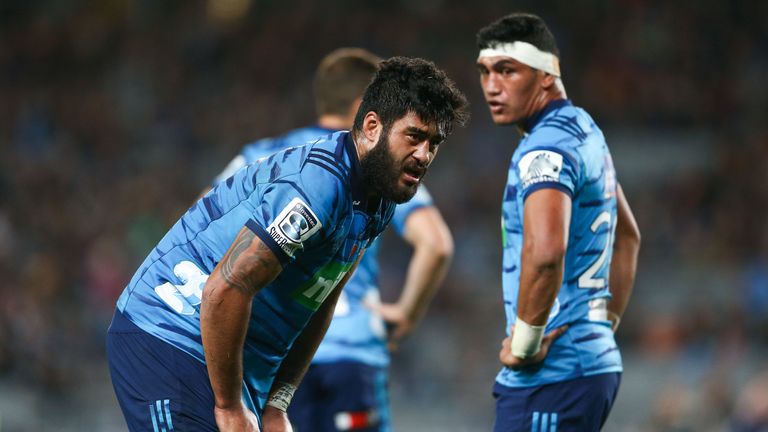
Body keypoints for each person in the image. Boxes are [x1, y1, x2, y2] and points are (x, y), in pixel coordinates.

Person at [107, 56, 468, 432]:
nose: (425, 155)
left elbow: (321, 299)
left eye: (434, 143)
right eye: (414, 136)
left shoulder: (380, 201)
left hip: (227, 356)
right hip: (167, 335)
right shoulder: (318, 186)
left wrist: (278, 402)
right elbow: (227, 287)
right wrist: (231, 407)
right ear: (372, 126)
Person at [209, 48, 455, 432]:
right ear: (368, 110)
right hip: (352, 351)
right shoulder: (381, 165)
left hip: (271, 351)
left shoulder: (265, 156)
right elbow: (436, 243)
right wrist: (406, 313)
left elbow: (202, 223)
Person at [475, 13, 641, 431]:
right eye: (485, 72)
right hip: (589, 364)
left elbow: (546, 252)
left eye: (507, 71)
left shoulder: (544, 147)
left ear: (547, 74)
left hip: (553, 376)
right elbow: (628, 236)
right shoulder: (585, 131)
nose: (492, 85)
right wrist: (601, 326)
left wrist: (527, 344)